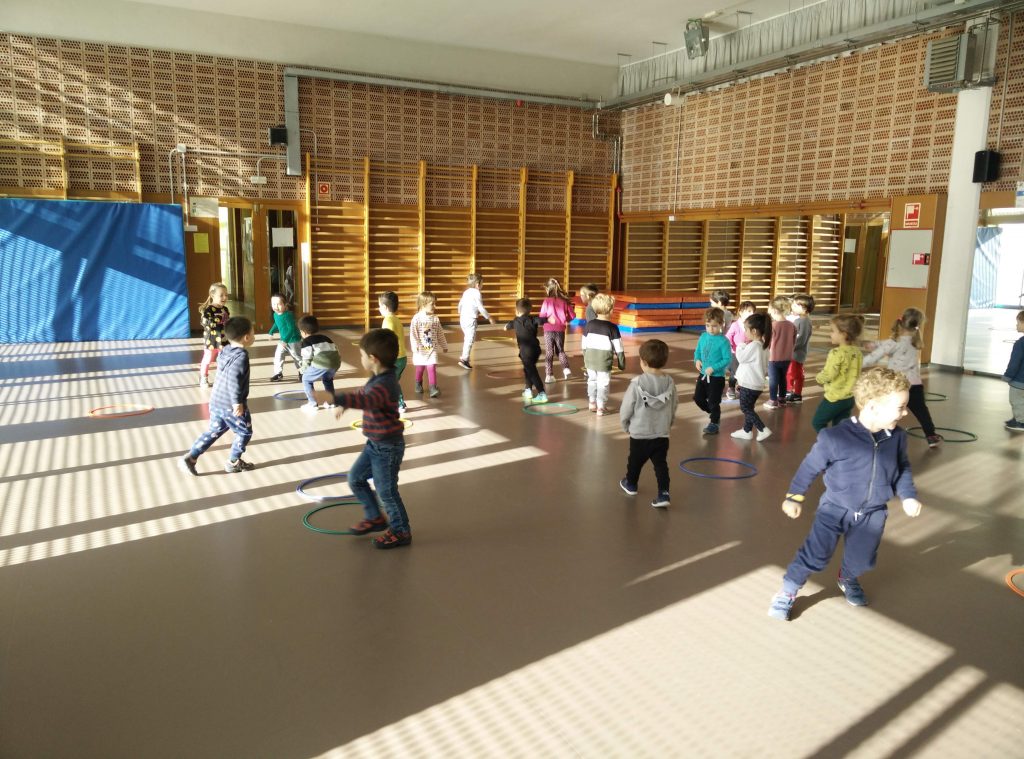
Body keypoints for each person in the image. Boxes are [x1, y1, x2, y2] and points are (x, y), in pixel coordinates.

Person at [767, 367, 923, 621]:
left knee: (862, 559)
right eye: (900, 407)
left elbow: (902, 467)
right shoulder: (835, 437)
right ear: (873, 406)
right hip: (835, 508)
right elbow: (810, 466)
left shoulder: (897, 437)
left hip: (873, 513)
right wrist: (794, 496)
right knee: (815, 554)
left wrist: (908, 495)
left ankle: (847, 577)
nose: (905, 412)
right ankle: (788, 590)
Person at [316, 328, 411, 549]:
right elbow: (363, 394)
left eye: (361, 355)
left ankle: (401, 531)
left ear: (373, 359)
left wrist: (335, 397)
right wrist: (346, 404)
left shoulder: (386, 384)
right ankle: (375, 517)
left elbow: (369, 400)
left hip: (388, 447)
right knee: (355, 479)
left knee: (386, 491)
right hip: (374, 444)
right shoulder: (379, 377)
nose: (360, 359)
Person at [179, 316, 256, 475]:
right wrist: (237, 402)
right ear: (247, 337)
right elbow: (234, 380)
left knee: (214, 430)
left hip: (216, 401)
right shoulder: (241, 356)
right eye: (253, 332)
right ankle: (233, 462)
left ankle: (191, 457)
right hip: (230, 404)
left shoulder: (225, 350)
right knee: (244, 432)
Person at [863, 307, 942, 448]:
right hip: (915, 384)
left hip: (897, 385)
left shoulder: (894, 342)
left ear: (901, 321)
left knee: (888, 409)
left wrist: (858, 363)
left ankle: (877, 434)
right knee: (922, 412)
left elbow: (876, 356)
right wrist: (875, 344)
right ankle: (931, 436)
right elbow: (888, 344)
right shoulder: (915, 341)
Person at [619, 339, 678, 508]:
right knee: (661, 465)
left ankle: (631, 484)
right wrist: (669, 423)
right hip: (661, 433)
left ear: (643, 362)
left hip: (639, 434)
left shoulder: (636, 384)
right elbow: (674, 405)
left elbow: (626, 408)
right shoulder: (670, 383)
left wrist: (625, 425)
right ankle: (664, 493)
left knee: (635, 461)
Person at [811, 314, 865, 431]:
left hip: (834, 398)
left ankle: (827, 440)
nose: (830, 334)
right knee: (840, 427)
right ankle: (839, 442)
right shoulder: (857, 352)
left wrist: (819, 378)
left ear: (844, 334)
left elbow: (830, 374)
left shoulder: (836, 353)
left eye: (832, 331)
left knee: (818, 422)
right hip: (849, 398)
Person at [581, 293, 625, 415]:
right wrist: (621, 363)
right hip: (604, 361)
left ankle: (592, 402)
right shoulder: (613, 328)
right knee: (603, 383)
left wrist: (586, 357)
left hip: (590, 360)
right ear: (610, 310)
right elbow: (619, 348)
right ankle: (601, 407)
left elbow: (584, 344)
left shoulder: (589, 325)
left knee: (592, 380)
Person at [731, 312, 772, 441]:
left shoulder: (754, 346)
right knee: (749, 407)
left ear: (754, 331)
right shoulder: (763, 346)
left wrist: (740, 345)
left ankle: (762, 429)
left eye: (746, 329)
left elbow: (741, 358)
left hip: (749, 384)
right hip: (755, 384)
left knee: (745, 408)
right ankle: (746, 431)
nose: (745, 332)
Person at [693, 307, 732, 435]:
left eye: (714, 326)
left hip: (717, 378)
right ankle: (714, 413)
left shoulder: (723, 341)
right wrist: (697, 360)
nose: (710, 329)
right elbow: (697, 352)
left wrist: (714, 368)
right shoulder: (703, 336)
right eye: (707, 325)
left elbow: (727, 359)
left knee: (714, 402)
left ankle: (714, 423)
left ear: (721, 324)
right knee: (698, 398)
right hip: (703, 375)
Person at [505, 297, 547, 403]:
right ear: (529, 310)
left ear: (517, 311)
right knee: (528, 369)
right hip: (536, 350)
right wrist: (548, 320)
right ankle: (528, 390)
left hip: (526, 352)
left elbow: (509, 325)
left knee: (531, 371)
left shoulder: (516, 321)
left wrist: (505, 327)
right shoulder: (532, 319)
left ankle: (542, 393)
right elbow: (540, 320)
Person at [297, 315, 341, 413]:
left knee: (306, 379)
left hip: (322, 364)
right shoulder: (326, 338)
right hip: (335, 363)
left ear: (303, 332)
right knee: (327, 379)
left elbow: (307, 359)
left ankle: (312, 404)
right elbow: (336, 350)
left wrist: (303, 370)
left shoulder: (306, 342)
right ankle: (331, 402)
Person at [409, 291, 448, 398]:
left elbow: (440, 333)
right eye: (432, 304)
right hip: (420, 350)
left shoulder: (435, 319)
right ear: (423, 305)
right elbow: (413, 334)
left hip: (432, 349)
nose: (435, 306)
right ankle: (418, 383)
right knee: (420, 368)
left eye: (435, 304)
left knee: (431, 367)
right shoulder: (416, 319)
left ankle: (433, 388)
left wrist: (444, 345)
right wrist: (414, 346)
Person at [538, 277, 575, 383]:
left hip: (548, 330)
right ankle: (566, 369)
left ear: (548, 289)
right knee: (560, 350)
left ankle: (549, 375)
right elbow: (572, 315)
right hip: (560, 330)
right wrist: (565, 319)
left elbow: (542, 316)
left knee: (549, 352)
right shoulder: (564, 301)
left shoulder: (546, 301)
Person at [457, 273, 495, 370]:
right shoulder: (477, 293)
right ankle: (464, 359)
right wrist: (489, 317)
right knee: (469, 340)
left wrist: (460, 312)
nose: (483, 285)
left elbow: (460, 304)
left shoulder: (466, 292)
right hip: (470, 319)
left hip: (463, 318)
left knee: (467, 338)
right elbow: (480, 307)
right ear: (478, 284)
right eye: (482, 283)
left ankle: (465, 357)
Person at [379, 291, 408, 412]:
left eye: (379, 306)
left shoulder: (388, 320)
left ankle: (399, 404)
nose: (379, 309)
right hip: (402, 358)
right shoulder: (396, 319)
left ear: (385, 307)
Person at [764, 296, 795, 409]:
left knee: (773, 380)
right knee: (783, 378)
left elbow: (767, 342)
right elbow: (794, 341)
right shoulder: (791, 325)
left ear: (773, 310)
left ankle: (773, 400)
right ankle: (782, 399)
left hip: (774, 358)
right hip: (787, 357)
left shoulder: (773, 325)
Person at [198, 282, 230, 387]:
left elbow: (228, 322)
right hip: (211, 339)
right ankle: (203, 377)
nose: (224, 297)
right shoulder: (208, 310)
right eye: (221, 295)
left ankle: (222, 378)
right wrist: (216, 321)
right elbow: (204, 322)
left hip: (223, 339)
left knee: (223, 359)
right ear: (212, 295)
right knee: (208, 359)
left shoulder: (225, 309)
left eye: (226, 295)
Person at [785, 294, 815, 404]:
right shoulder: (800, 320)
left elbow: (801, 339)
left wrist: (789, 348)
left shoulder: (804, 322)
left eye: (795, 305)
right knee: (794, 373)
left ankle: (791, 392)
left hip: (796, 353)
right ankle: (793, 392)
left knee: (792, 373)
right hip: (795, 352)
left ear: (804, 308)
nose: (792, 307)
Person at [725, 300, 756, 401]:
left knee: (746, 371)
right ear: (741, 312)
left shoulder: (752, 325)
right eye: (749, 311)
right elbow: (728, 336)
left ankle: (742, 386)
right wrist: (728, 345)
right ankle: (731, 388)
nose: (751, 313)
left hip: (747, 353)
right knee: (735, 372)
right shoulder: (735, 325)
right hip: (735, 353)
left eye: (753, 311)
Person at [268, 292, 301, 382]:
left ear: (285, 305)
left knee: (297, 357)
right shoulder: (275, 314)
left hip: (293, 340)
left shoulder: (288, 315)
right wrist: (271, 332)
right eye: (273, 304)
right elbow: (277, 324)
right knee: (278, 356)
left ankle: (302, 372)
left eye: (279, 304)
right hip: (283, 340)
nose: (276, 307)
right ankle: (278, 374)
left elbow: (291, 328)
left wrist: (285, 340)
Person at [1002, 309, 1024, 432]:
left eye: (1018, 322)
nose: (1016, 325)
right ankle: (1017, 418)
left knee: (1016, 401)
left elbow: (1015, 362)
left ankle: (1021, 422)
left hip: (1019, 381)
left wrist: (1008, 376)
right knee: (1021, 401)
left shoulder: (1020, 343)